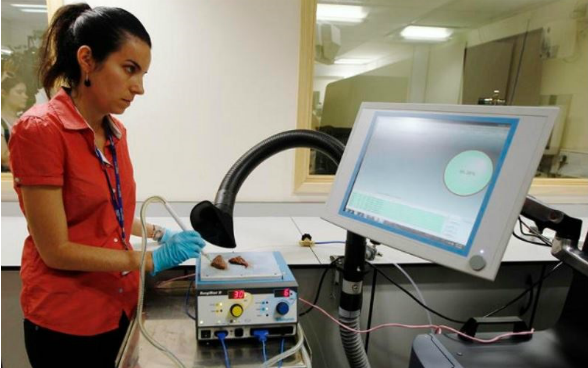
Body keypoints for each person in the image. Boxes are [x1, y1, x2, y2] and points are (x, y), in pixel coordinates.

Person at [8, 4, 206, 368]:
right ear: (87, 59)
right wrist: (149, 259)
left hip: (119, 307)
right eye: (130, 69)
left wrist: (160, 234)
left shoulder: (114, 132)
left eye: (143, 74)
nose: (139, 88)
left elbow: (107, 213)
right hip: (67, 323)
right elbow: (56, 250)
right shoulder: (40, 131)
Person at [1, 73, 28, 172]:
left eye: (25, 92)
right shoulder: (2, 122)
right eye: (19, 92)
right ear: (3, 93)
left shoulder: (25, 119)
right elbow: (4, 159)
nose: (25, 96)